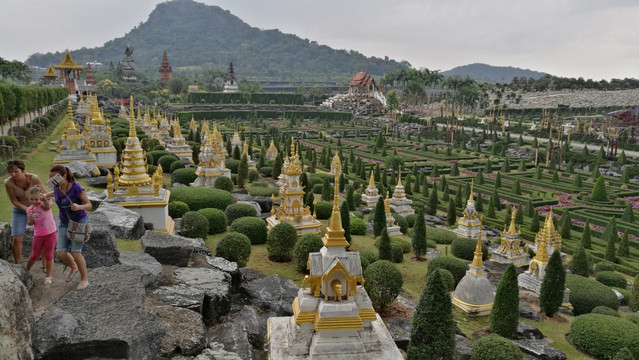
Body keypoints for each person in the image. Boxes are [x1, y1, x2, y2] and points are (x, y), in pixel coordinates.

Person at [47, 165, 91, 291]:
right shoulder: (57, 187)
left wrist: (78, 207)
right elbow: (54, 192)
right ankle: (73, 267)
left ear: (64, 175)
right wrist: (44, 195)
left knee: (76, 252)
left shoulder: (76, 187)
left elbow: (89, 205)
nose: (52, 180)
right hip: (64, 222)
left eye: (55, 177)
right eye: (51, 178)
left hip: (79, 221)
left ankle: (84, 279)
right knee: (60, 253)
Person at [4, 159, 46, 264]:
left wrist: (47, 202)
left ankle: (45, 264)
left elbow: (45, 194)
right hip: (20, 210)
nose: (13, 174)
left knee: (44, 236)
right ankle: (18, 265)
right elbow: (14, 201)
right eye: (10, 172)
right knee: (16, 238)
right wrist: (28, 210)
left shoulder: (34, 178)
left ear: (23, 170)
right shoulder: (8, 183)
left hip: (37, 209)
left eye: (16, 171)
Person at [25, 187, 57, 285]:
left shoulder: (43, 205)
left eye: (36, 199)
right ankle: (26, 271)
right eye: (32, 199)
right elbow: (30, 223)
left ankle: (48, 276)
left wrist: (44, 199)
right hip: (38, 234)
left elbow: (47, 206)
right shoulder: (29, 209)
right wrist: (31, 218)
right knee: (34, 255)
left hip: (50, 233)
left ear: (40, 198)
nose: (34, 201)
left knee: (48, 254)